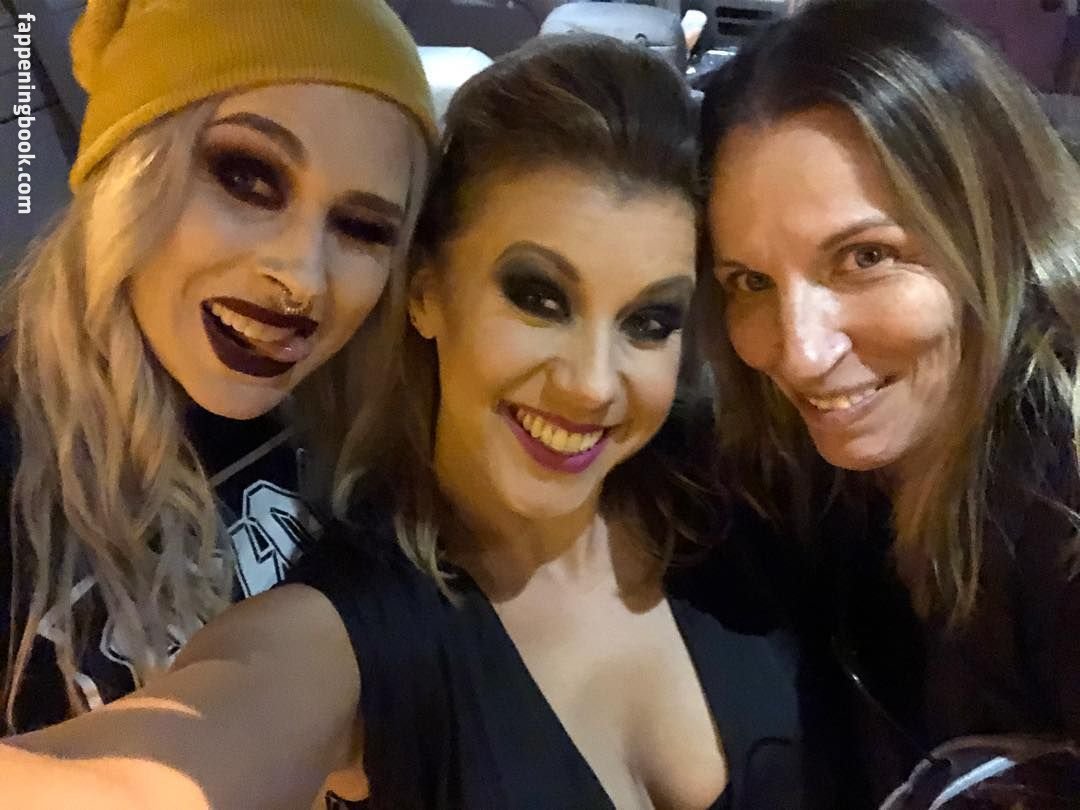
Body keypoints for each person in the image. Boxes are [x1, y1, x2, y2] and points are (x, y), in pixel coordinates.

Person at [0, 35, 804, 810]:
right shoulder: (346, 627)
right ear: (425, 291)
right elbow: (151, 780)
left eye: (650, 322)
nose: (593, 385)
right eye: (537, 298)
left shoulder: (738, 498)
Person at [0, 0, 434, 751]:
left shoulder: (363, 428)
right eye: (247, 178)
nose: (303, 279)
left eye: (362, 228)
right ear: (128, 170)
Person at [698, 0, 1080, 805]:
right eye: (751, 282)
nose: (800, 353)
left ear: (993, 225)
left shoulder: (1063, 511)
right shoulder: (800, 471)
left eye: (866, 257)